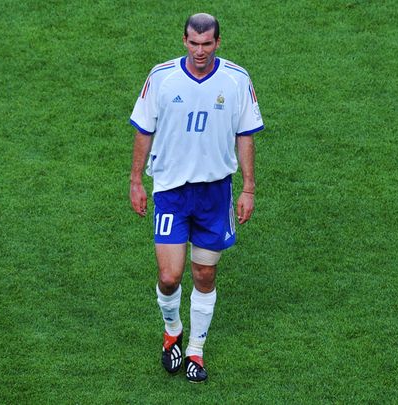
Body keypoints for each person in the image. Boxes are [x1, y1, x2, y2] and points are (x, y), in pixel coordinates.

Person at [128, 13, 264, 383]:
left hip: (215, 193)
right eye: (193, 43)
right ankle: (172, 329)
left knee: (204, 273)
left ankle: (196, 351)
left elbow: (246, 135)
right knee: (170, 276)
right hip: (171, 191)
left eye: (207, 44)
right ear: (184, 40)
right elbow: (144, 129)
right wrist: (135, 180)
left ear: (218, 42)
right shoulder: (161, 77)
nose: (200, 51)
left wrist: (248, 188)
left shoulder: (237, 79)